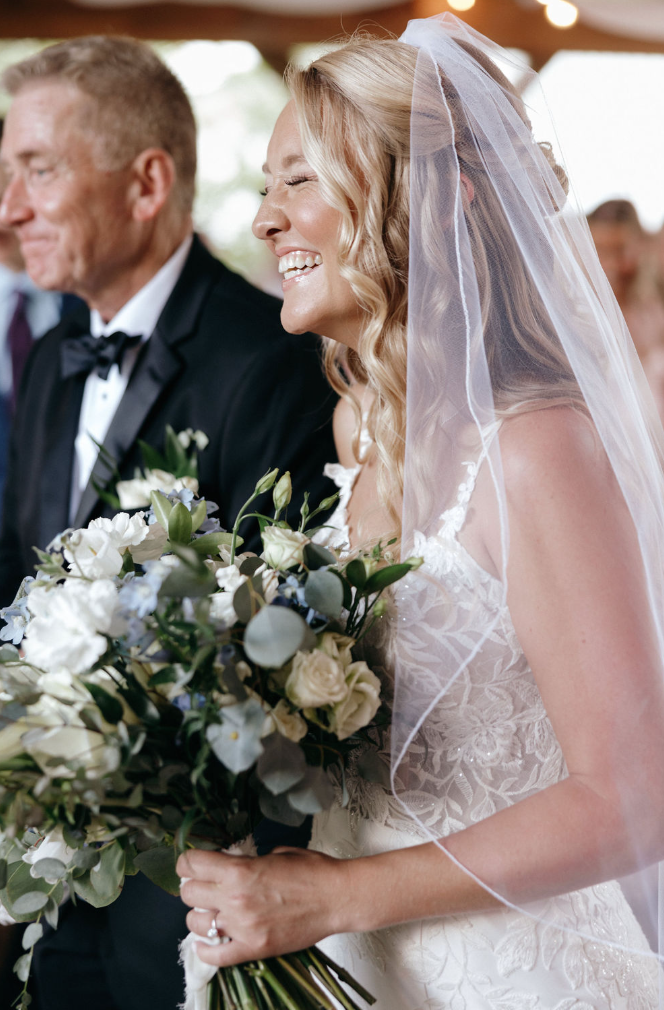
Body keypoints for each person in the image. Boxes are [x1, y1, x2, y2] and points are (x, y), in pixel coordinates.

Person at [178, 14, 664, 1009]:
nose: (265, 219)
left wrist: (337, 896)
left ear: (426, 198)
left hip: (511, 975)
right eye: (266, 186)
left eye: (297, 180)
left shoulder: (534, 448)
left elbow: (631, 799)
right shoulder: (360, 428)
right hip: (351, 970)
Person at [0, 36, 336, 1010]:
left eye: (38, 170)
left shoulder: (268, 361)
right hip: (52, 888)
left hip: (186, 906)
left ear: (146, 183)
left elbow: (292, 664)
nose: (9, 206)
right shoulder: (57, 348)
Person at [587, 199, 664, 423]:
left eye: (621, 250)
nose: (611, 264)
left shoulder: (655, 305)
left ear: (639, 245)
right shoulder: (576, 314)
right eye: (600, 250)